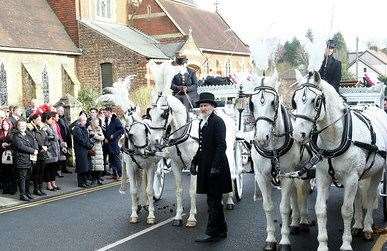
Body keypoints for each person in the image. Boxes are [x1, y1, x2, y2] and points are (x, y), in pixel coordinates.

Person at [191, 92, 232, 243]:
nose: (203, 108)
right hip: (205, 165)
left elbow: (222, 146)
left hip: (217, 166)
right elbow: (202, 147)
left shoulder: (217, 121)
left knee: (213, 201)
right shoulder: (203, 123)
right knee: (214, 199)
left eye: (205, 105)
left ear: (213, 106)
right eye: (201, 106)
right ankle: (221, 230)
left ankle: (212, 232)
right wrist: (194, 161)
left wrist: (215, 167)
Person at [12, 120, 38, 201]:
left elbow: (34, 141)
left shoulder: (28, 134)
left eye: (24, 125)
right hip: (21, 159)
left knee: (28, 178)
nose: (22, 127)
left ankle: (27, 192)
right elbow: (21, 146)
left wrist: (36, 149)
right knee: (22, 178)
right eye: (20, 125)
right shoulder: (16, 136)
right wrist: (33, 151)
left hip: (29, 160)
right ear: (17, 126)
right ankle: (22, 194)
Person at [28, 113, 48, 196]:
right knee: (36, 172)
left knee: (41, 172)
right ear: (33, 120)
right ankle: (36, 189)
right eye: (38, 120)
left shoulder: (42, 129)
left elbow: (46, 138)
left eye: (40, 120)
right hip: (37, 153)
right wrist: (41, 147)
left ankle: (40, 188)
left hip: (43, 152)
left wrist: (46, 146)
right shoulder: (31, 129)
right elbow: (34, 140)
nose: (39, 121)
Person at [103, 106, 124, 180]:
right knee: (111, 160)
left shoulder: (115, 120)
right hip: (107, 143)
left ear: (109, 112)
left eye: (105, 112)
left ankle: (121, 175)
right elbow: (106, 131)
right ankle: (115, 174)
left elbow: (121, 130)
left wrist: (113, 135)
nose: (104, 113)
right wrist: (105, 138)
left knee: (116, 159)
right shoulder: (105, 120)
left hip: (114, 143)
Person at [72, 114, 94, 188]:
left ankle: (84, 181)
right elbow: (81, 140)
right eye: (84, 120)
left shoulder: (83, 128)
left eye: (85, 120)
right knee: (81, 167)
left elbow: (86, 138)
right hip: (80, 150)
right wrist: (89, 145)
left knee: (86, 167)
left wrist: (90, 143)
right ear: (80, 121)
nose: (85, 122)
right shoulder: (77, 129)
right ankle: (81, 183)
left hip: (85, 150)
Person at [42, 112, 61, 191]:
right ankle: (48, 184)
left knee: (53, 167)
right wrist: (53, 137)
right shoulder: (44, 127)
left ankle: (53, 182)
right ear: (46, 119)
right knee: (48, 168)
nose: (52, 120)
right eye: (50, 119)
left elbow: (56, 136)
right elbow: (44, 138)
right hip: (49, 150)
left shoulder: (51, 126)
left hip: (54, 149)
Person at [0, 119, 17, 195]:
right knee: (4, 172)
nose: (4, 126)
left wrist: (8, 145)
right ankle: (5, 188)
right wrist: (1, 145)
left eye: (6, 124)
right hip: (2, 154)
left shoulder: (13, 132)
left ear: (9, 124)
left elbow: (16, 143)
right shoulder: (0, 132)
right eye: (3, 124)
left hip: (11, 154)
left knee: (12, 172)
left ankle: (12, 189)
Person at [88, 118, 105, 185]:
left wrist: (95, 135)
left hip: (99, 148)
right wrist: (97, 136)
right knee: (93, 165)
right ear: (93, 123)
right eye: (97, 122)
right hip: (93, 148)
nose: (98, 124)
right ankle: (94, 179)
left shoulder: (99, 128)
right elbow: (89, 138)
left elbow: (102, 137)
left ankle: (98, 178)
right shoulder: (89, 128)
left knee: (99, 165)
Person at [56, 106, 72, 173]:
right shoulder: (57, 119)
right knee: (61, 154)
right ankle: (59, 169)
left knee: (65, 154)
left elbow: (67, 128)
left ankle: (64, 168)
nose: (62, 112)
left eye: (62, 110)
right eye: (60, 110)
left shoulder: (64, 118)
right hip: (61, 138)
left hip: (66, 137)